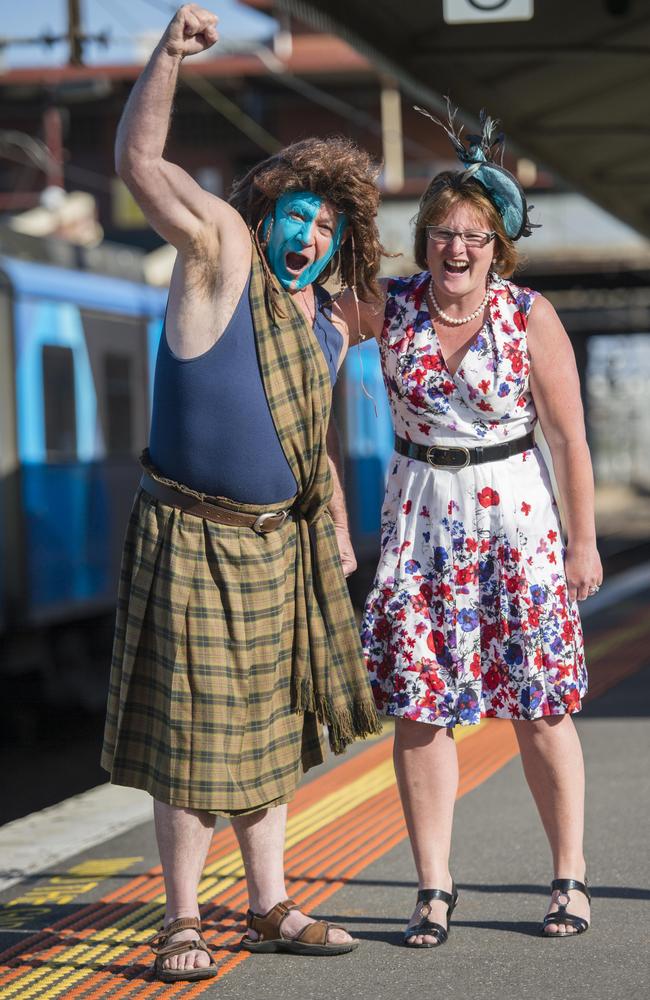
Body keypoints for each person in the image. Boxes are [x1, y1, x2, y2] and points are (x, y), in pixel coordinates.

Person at [100, 4, 382, 983]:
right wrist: (165, 57)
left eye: (326, 229)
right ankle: (181, 916)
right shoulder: (217, 252)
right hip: (189, 532)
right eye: (297, 219)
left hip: (280, 545)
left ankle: (267, 905)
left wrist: (340, 525)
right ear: (267, 215)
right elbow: (141, 163)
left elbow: (315, 443)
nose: (307, 239)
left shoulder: (333, 327)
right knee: (190, 739)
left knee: (271, 734)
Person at [336, 102, 602, 946]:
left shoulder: (530, 317)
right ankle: (434, 889)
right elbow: (308, 330)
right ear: (425, 240)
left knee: (540, 706)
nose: (458, 248)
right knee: (420, 708)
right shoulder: (388, 305)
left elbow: (567, 437)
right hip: (420, 526)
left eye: (474, 236)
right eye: (444, 233)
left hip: (517, 530)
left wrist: (584, 541)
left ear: (498, 247)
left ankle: (568, 875)